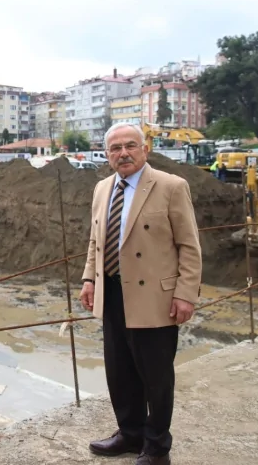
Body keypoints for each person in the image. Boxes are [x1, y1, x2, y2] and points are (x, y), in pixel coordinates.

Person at [80, 123, 202, 465]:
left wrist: (185, 294)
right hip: (113, 292)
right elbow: (95, 241)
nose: (123, 153)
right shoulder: (103, 188)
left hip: (155, 297)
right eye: (115, 148)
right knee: (119, 370)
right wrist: (90, 279)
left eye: (130, 146)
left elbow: (189, 246)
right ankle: (129, 434)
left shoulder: (171, 186)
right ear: (107, 156)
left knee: (156, 375)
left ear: (145, 149)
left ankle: (157, 447)